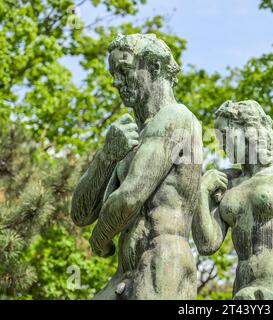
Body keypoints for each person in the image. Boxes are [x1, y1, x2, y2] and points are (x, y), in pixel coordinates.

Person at [71, 33, 202, 299]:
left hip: (162, 261)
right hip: (126, 270)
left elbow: (131, 197)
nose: (116, 82)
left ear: (154, 67)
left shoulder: (176, 118)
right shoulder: (132, 135)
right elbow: (80, 214)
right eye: (113, 73)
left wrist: (99, 239)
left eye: (124, 70)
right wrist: (106, 156)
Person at [192, 100, 273, 300]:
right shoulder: (229, 183)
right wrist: (201, 190)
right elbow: (207, 244)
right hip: (241, 291)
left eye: (225, 135)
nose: (222, 145)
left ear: (248, 130)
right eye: (219, 138)